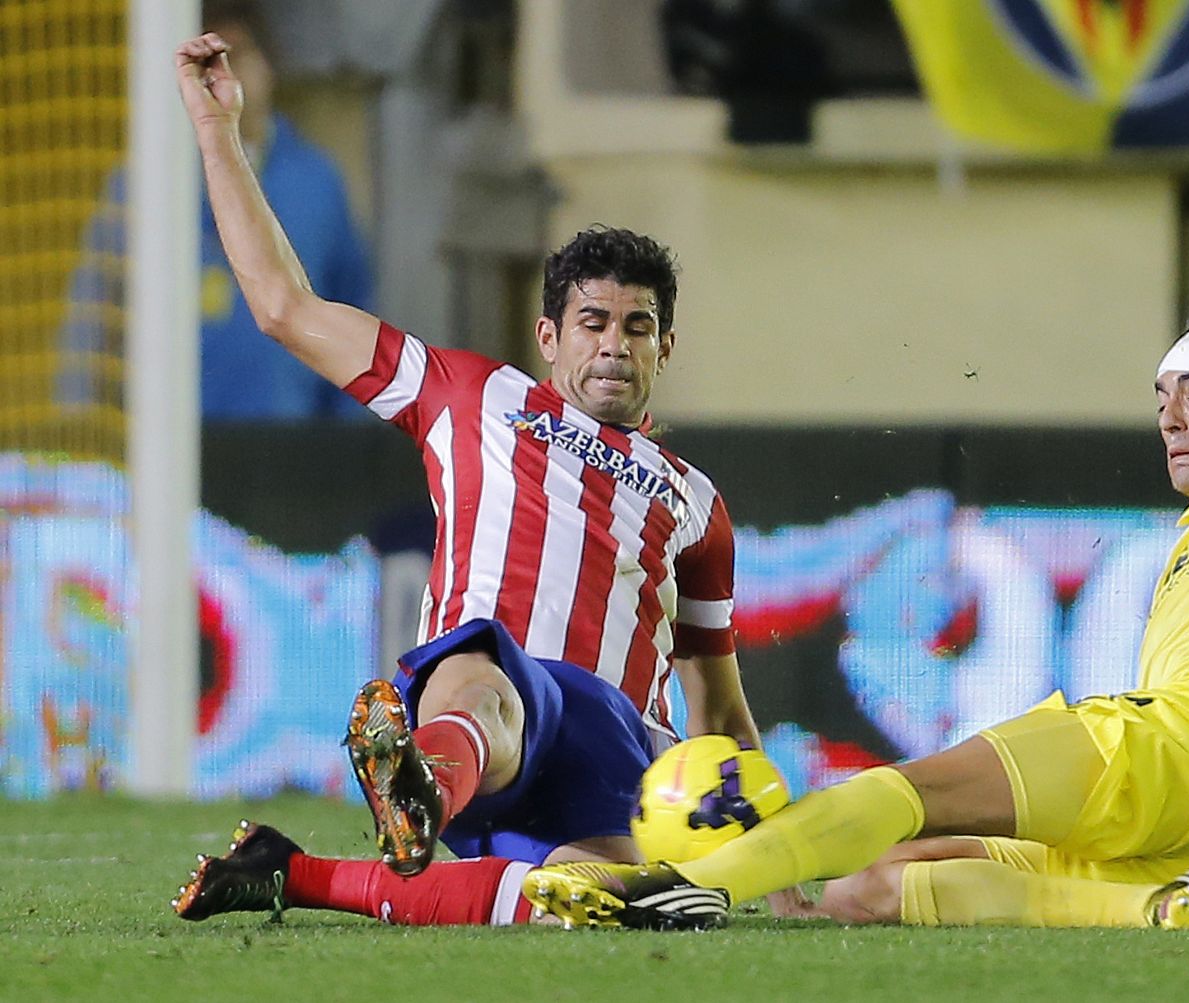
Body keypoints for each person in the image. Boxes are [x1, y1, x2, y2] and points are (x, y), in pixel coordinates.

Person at [518, 82, 1189, 931]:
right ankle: (1161, 910)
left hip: (1177, 754)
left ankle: (678, 887)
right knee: (867, 885)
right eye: (1162, 399)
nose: (1171, 418)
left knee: (908, 790)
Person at [167, 27, 779, 923]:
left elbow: (718, 702)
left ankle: (292, 870)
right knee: (484, 671)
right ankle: (417, 792)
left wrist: (782, 853)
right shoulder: (471, 394)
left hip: (619, 746)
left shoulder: (694, 503)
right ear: (548, 338)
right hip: (495, 705)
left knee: (626, 899)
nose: (614, 344)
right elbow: (284, 308)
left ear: (666, 347)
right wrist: (217, 130)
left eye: (637, 327)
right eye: (593, 321)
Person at [60, 0, 373, 421]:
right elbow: (91, 313)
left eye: (236, 55)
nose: (221, 75)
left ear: (269, 67)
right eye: (202, 63)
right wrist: (80, 419)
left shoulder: (317, 182)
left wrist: (348, 436)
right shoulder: (140, 185)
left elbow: (352, 305)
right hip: (169, 443)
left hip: (290, 442)